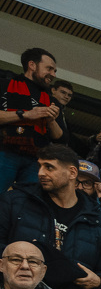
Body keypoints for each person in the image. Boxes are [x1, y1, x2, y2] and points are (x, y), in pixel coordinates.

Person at [0, 145, 101, 289]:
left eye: (49, 167)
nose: (41, 173)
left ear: (72, 172)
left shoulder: (100, 222)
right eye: (39, 166)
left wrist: (99, 281)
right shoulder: (15, 201)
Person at [0, 48, 63, 192]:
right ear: (32, 65)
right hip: (3, 151)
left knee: (27, 202)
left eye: (55, 71)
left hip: (37, 160)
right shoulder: (4, 85)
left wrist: (51, 121)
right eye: (49, 69)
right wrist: (26, 114)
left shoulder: (52, 101)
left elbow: (61, 138)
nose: (53, 75)